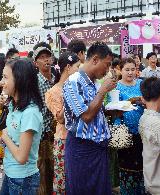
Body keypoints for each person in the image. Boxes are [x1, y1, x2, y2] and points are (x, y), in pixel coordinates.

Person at [0, 59, 43, 194]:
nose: (2, 82)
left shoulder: (30, 113)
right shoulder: (13, 106)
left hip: (23, 179)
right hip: (10, 173)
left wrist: (3, 136)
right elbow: (12, 139)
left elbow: (22, 157)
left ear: (20, 80)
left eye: (5, 77)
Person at [63, 42, 116, 194]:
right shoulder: (73, 82)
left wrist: (111, 112)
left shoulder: (93, 82)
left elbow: (95, 112)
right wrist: (103, 91)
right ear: (94, 59)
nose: (107, 70)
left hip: (98, 149)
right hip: (82, 149)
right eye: (106, 65)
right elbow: (86, 116)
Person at [45, 51, 80, 194]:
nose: (79, 70)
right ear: (68, 67)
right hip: (64, 140)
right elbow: (60, 118)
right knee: (63, 179)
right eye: (77, 66)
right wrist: (70, 93)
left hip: (79, 136)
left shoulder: (79, 86)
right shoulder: (53, 92)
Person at [111, 58, 145, 194]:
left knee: (142, 164)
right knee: (126, 165)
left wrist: (143, 102)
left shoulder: (141, 84)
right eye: (127, 69)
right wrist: (126, 103)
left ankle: (141, 190)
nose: (130, 72)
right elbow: (112, 109)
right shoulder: (116, 87)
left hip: (142, 131)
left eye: (133, 69)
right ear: (120, 70)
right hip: (125, 132)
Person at [33, 43, 56, 195]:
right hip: (41, 135)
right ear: (36, 63)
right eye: (42, 58)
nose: (46, 60)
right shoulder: (35, 81)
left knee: (54, 170)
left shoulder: (56, 78)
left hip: (54, 133)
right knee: (42, 171)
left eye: (48, 56)